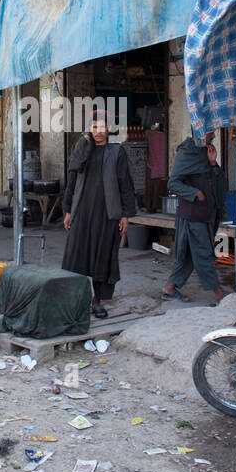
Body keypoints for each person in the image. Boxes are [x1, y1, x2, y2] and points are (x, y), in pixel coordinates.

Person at [62, 110, 138, 319]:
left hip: (107, 214)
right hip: (82, 212)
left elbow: (125, 184)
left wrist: (125, 215)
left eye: (102, 127)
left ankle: (97, 300)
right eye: (94, 127)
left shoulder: (116, 152)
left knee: (102, 257)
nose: (98, 132)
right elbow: (72, 181)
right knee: (75, 256)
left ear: (109, 129)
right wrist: (68, 210)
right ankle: (75, 300)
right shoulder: (82, 149)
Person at [161, 134, 227, 305]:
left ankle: (169, 288)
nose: (212, 135)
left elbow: (215, 182)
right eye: (208, 132)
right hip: (192, 215)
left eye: (213, 132)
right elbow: (173, 183)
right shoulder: (188, 152)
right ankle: (218, 292)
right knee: (204, 253)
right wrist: (195, 193)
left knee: (190, 256)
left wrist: (213, 163)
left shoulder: (205, 151)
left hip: (206, 213)